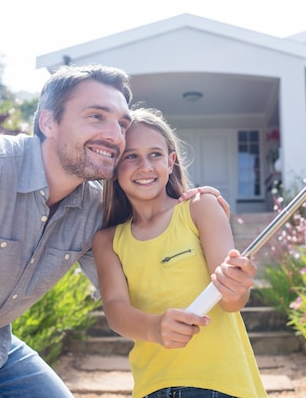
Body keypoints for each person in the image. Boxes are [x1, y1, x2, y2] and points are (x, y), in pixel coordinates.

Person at [0, 64, 228, 398]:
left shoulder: (94, 209)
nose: (115, 136)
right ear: (49, 122)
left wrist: (194, 217)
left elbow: (136, 287)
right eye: (96, 116)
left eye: (121, 123)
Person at [93, 107, 268, 398]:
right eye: (130, 156)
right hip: (153, 385)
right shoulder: (107, 240)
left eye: (155, 154)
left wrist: (236, 285)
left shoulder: (201, 207)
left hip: (220, 383)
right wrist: (155, 328)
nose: (145, 166)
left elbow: (231, 302)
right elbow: (115, 309)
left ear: (171, 161)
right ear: (114, 167)